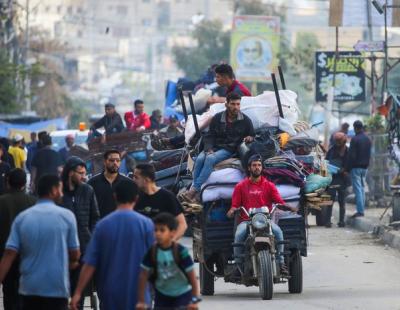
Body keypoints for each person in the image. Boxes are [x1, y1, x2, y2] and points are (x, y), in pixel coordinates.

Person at [70, 180, 154, 310]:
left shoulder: (103, 226)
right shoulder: (146, 225)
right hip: (139, 295)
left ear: (114, 196)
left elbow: (90, 264)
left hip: (111, 295)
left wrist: (77, 292)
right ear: (136, 198)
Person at [0, 174, 80, 310]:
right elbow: (75, 253)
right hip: (57, 287)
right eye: (60, 189)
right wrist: (73, 262)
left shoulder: (23, 218)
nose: (61, 193)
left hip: (29, 288)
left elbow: (9, 253)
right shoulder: (67, 216)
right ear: (54, 190)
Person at [183, 92, 255, 202]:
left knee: (210, 159)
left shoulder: (245, 121)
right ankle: (194, 189)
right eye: (233, 104)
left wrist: (250, 137)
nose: (236, 107)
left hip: (229, 149)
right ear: (227, 104)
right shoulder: (217, 118)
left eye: (238, 104)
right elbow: (209, 135)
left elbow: (252, 135)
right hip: (214, 146)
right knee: (199, 159)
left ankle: (193, 190)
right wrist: (209, 148)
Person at [226, 155, 289, 275]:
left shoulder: (269, 185)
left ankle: (281, 263)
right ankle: (238, 265)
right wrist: (232, 211)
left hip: (266, 221)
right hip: (247, 221)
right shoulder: (240, 186)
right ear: (249, 168)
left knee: (279, 233)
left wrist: (287, 206)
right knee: (239, 234)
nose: (257, 168)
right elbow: (235, 205)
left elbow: (279, 201)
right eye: (254, 165)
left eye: (259, 165)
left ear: (262, 168)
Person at [136, 213, 201, 310]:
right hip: (161, 295)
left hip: (182, 295)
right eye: (155, 230)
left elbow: (192, 277)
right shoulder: (153, 251)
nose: (158, 233)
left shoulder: (180, 251)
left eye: (162, 230)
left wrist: (194, 300)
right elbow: (143, 275)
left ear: (172, 233)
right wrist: (141, 301)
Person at [61, 157, 100, 309]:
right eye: (81, 173)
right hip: (61, 248)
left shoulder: (87, 190)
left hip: (83, 247)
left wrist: (91, 238)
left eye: (85, 173)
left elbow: (95, 218)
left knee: (80, 290)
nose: (84, 176)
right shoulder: (59, 191)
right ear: (70, 173)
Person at [0, 169, 36, 310]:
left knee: (9, 293)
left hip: (5, 256)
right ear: (25, 183)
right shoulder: (33, 202)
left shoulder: (1, 202)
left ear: (8, 182)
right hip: (29, 257)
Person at [134, 163, 187, 240]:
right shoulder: (136, 197)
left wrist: (170, 243)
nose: (133, 180)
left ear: (146, 180)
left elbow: (182, 224)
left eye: (136, 177)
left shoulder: (167, 196)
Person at [88, 149, 133, 218]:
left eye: (118, 160)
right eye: (112, 160)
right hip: (100, 224)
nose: (115, 163)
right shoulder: (92, 183)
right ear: (105, 162)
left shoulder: (128, 183)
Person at [347, 120, 372, 218]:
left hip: (356, 167)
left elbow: (351, 156)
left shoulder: (355, 139)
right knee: (362, 188)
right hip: (365, 167)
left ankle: (360, 211)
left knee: (358, 190)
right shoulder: (368, 139)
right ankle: (362, 210)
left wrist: (348, 168)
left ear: (355, 128)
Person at [326, 132, 350, 228]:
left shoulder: (348, 151)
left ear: (344, 141)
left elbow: (350, 163)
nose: (339, 143)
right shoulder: (331, 150)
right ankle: (328, 221)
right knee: (330, 200)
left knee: (342, 201)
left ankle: (341, 221)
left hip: (343, 179)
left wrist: (345, 170)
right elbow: (326, 162)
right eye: (337, 141)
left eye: (340, 141)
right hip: (332, 178)